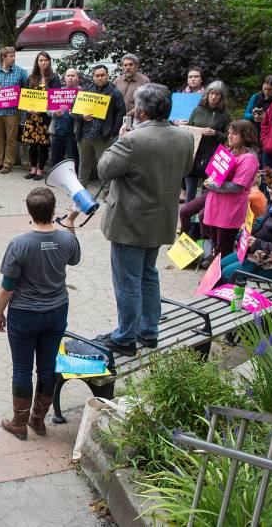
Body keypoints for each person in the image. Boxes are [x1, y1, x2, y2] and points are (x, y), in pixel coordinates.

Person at [95, 83, 193, 357]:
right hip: (160, 219)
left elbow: (104, 169)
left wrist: (120, 137)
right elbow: (184, 169)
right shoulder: (184, 137)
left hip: (130, 221)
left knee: (128, 280)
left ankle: (125, 337)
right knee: (148, 275)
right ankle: (148, 331)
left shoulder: (132, 139)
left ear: (143, 110)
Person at [0, 188, 79, 441]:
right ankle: (38, 420)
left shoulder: (19, 243)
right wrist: (71, 224)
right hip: (56, 311)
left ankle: (19, 423)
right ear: (54, 211)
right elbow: (75, 259)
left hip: (24, 313)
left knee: (22, 368)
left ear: (29, 212)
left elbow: (8, 286)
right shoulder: (66, 239)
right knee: (47, 366)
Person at [201, 120, 260, 260]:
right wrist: (211, 179)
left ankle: (221, 279)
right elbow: (215, 173)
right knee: (216, 245)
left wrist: (212, 185)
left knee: (224, 249)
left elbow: (237, 186)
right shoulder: (229, 151)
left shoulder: (249, 158)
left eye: (235, 134)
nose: (230, 136)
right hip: (216, 205)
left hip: (229, 210)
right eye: (229, 133)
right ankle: (214, 274)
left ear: (245, 136)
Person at [178, 81, 232, 202]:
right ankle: (189, 220)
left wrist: (215, 133)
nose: (213, 97)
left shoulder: (225, 115)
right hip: (195, 155)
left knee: (209, 195)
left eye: (217, 94)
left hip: (214, 158)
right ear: (207, 94)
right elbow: (188, 132)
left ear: (222, 97)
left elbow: (230, 139)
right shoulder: (197, 110)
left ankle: (203, 220)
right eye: (211, 93)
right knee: (190, 194)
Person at [74, 65, 125, 186]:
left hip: (103, 136)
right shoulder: (85, 91)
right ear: (93, 77)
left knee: (104, 165)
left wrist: (113, 131)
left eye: (102, 75)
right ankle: (82, 191)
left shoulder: (114, 92)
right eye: (97, 75)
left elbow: (121, 111)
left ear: (108, 76)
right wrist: (82, 116)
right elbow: (74, 110)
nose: (100, 78)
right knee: (84, 164)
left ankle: (107, 191)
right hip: (84, 135)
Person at [0, 47, 29, 174]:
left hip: (12, 112)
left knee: (11, 139)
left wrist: (18, 94)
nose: (13, 58)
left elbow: (26, 90)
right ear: (3, 57)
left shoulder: (20, 72)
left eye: (14, 56)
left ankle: (8, 163)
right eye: (11, 56)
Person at [22, 51, 60, 180]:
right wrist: (28, 108)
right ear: (37, 62)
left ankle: (40, 170)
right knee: (32, 144)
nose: (43, 62)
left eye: (45, 60)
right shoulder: (31, 77)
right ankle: (32, 169)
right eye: (40, 60)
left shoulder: (54, 78)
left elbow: (55, 98)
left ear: (49, 62)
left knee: (43, 144)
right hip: (31, 116)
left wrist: (42, 110)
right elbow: (26, 96)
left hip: (45, 117)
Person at [48, 68, 80, 169]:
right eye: (68, 76)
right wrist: (55, 113)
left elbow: (86, 112)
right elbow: (48, 110)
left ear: (77, 78)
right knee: (55, 159)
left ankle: (73, 180)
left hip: (73, 133)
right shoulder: (57, 92)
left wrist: (76, 114)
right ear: (64, 78)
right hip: (57, 132)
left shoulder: (82, 93)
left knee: (73, 159)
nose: (70, 78)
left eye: (73, 76)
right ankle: (56, 179)